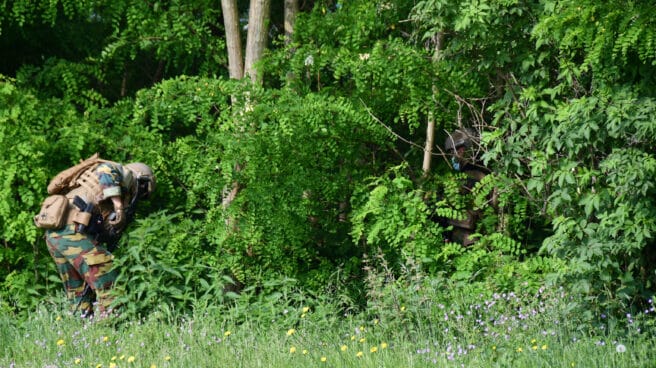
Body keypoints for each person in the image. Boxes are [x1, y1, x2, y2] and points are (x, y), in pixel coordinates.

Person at [35, 154, 155, 318]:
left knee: (78, 289)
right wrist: (119, 207)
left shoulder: (108, 185)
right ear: (143, 182)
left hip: (55, 234)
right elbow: (105, 169)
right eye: (142, 194)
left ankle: (82, 328)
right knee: (107, 276)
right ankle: (111, 325)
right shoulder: (126, 174)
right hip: (72, 229)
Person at [443, 129, 491, 246]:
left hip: (468, 233)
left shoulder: (471, 176)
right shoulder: (485, 170)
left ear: (462, 150)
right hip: (479, 230)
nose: (452, 156)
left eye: (452, 152)